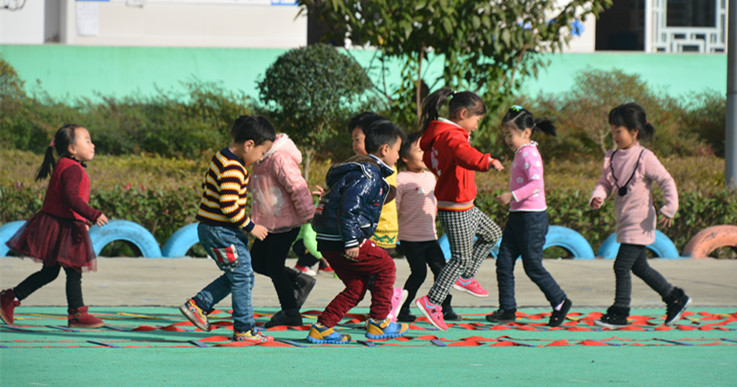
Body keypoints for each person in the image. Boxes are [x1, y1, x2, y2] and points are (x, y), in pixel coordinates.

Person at [307, 119, 409, 344]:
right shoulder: (369, 174)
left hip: (329, 240)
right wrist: (351, 241)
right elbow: (350, 206)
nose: (399, 157)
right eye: (397, 151)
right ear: (385, 149)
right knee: (386, 266)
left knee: (356, 286)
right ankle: (379, 322)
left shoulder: (360, 171)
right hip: (344, 239)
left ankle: (323, 327)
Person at [590, 103, 690, 328]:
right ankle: (674, 297)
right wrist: (598, 196)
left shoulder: (645, 157)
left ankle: (620, 311)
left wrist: (669, 207)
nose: (615, 136)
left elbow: (666, 180)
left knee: (621, 266)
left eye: (619, 131)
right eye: (613, 131)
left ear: (634, 131)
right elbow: (605, 183)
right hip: (624, 221)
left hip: (641, 221)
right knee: (639, 267)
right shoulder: (612, 157)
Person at [179, 115, 276, 343]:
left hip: (214, 229)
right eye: (262, 152)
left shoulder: (222, 156)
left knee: (241, 275)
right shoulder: (234, 167)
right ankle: (244, 328)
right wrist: (251, 226)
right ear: (249, 144)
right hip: (220, 231)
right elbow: (229, 205)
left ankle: (199, 304)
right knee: (242, 275)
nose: (261, 158)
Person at [414, 87, 504, 331]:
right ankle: (432, 301)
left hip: (464, 204)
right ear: (463, 114)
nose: (476, 126)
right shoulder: (452, 137)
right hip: (455, 207)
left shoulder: (443, 133)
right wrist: (487, 161)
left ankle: (466, 277)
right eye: (476, 120)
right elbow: (464, 154)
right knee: (460, 258)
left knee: (493, 234)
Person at [1, 124, 109, 328]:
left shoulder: (66, 165)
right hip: (63, 228)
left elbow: (66, 200)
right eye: (87, 140)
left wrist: (82, 221)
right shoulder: (72, 169)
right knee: (73, 270)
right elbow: (71, 198)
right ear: (72, 148)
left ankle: (9, 298)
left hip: (59, 224)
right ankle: (77, 314)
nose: (92, 144)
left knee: (50, 272)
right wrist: (93, 215)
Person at [485, 105, 572, 327]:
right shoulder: (521, 153)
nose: (507, 138)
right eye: (505, 134)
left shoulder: (530, 154)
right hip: (518, 217)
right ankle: (507, 308)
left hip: (532, 219)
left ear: (526, 133)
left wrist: (511, 195)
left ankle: (560, 301)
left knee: (532, 265)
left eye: (510, 134)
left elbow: (536, 184)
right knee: (504, 262)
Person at [250, 133, 317, 328]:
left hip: (286, 223)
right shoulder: (261, 159)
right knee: (256, 261)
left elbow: (298, 188)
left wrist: (309, 216)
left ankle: (291, 312)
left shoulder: (280, 159)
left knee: (274, 266)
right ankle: (300, 280)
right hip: (267, 223)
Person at [394, 131, 460, 323]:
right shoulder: (401, 179)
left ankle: (445, 308)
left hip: (430, 237)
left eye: (426, 150)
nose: (424, 154)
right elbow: (394, 209)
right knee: (419, 273)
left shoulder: (431, 177)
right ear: (405, 157)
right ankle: (403, 308)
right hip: (410, 239)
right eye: (418, 150)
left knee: (442, 271)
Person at [348, 112, 399, 253]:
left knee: (379, 271)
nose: (354, 145)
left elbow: (389, 192)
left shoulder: (386, 166)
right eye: (353, 140)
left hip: (381, 232)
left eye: (358, 140)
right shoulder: (357, 165)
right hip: (363, 230)